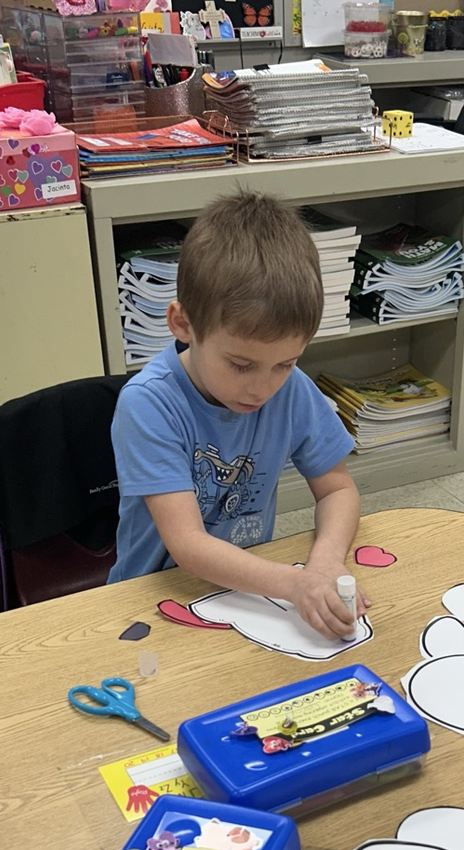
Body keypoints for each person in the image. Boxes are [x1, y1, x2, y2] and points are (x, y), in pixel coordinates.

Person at [109, 190, 370, 640]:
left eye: (285, 363)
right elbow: (189, 546)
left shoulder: (290, 389)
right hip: (155, 601)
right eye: (241, 364)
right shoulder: (149, 404)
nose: (263, 387)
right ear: (183, 324)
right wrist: (295, 583)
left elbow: (338, 489)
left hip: (243, 594)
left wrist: (326, 559)